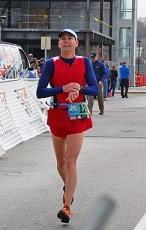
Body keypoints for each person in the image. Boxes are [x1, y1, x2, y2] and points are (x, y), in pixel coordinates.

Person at [36, 29, 98, 224]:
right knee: (61, 163)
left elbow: (95, 88)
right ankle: (68, 188)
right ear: (59, 44)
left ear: (76, 43)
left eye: (70, 38)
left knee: (71, 161)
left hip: (77, 114)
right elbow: (40, 92)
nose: (66, 42)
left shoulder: (84, 62)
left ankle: (67, 207)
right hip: (58, 113)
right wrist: (62, 89)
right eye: (63, 39)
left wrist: (78, 87)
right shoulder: (50, 64)